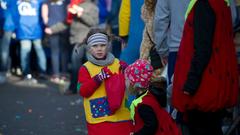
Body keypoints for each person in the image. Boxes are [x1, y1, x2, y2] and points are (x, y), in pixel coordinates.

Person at [172, 0, 239, 135]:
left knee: (202, 127)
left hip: (204, 86)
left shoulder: (204, 5)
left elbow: (202, 50)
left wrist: (190, 84)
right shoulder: (221, 3)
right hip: (216, 81)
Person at [77, 28, 132, 135]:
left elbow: (131, 86)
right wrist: (97, 79)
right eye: (95, 46)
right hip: (100, 120)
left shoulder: (119, 64)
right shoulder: (85, 68)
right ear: (89, 48)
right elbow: (83, 91)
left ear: (108, 46)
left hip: (122, 116)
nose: (99, 49)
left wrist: (128, 72)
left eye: (102, 45)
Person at [125, 59, 181, 135]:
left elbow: (151, 126)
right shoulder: (149, 95)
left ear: (135, 84)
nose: (125, 82)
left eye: (127, 80)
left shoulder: (143, 104)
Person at [64, 0, 99, 95]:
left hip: (85, 40)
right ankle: (76, 87)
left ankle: (75, 88)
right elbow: (67, 23)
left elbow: (94, 22)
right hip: (77, 39)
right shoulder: (75, 5)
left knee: (84, 65)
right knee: (79, 66)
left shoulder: (92, 6)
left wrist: (80, 14)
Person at [15, 0, 47, 81]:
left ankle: (26, 73)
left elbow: (14, 15)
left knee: (25, 52)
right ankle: (42, 72)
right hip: (36, 30)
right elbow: (42, 16)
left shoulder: (18, 2)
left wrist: (15, 29)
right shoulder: (39, 2)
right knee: (39, 51)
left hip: (23, 30)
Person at [41, 0, 70, 83]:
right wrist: (49, 25)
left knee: (60, 52)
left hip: (60, 28)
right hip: (55, 29)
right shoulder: (47, 2)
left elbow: (44, 16)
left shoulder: (65, 2)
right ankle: (59, 74)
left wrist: (49, 24)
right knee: (58, 52)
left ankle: (61, 74)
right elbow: (44, 16)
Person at [118, 0, 145, 64]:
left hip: (134, 36)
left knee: (126, 66)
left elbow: (124, 15)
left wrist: (123, 36)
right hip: (154, 37)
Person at [0, 0, 15, 83]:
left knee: (4, 50)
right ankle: (6, 70)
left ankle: (4, 71)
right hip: (7, 25)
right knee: (4, 50)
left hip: (7, 26)